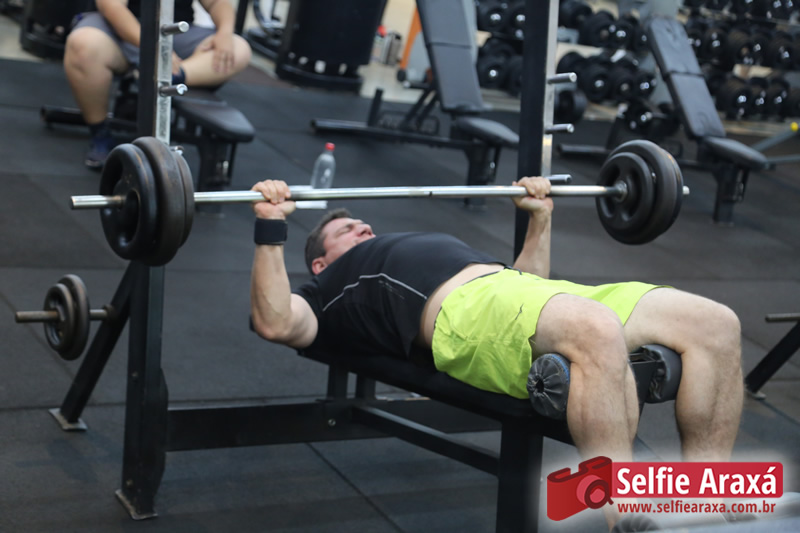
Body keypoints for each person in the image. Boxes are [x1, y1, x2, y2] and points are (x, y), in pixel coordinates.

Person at [248, 177, 744, 530]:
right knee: (595, 330)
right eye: (347, 231)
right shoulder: (325, 291)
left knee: (716, 324)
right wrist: (271, 227)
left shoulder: (401, 245)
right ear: (320, 262)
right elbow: (275, 321)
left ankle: (705, 504)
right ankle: (624, 517)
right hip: (464, 316)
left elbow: (528, 283)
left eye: (364, 225)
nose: (363, 230)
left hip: (517, 290)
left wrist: (540, 218)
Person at [63, 0, 252, 170]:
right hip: (120, 29)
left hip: (177, 33)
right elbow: (111, 6)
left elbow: (217, 3)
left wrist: (225, 33)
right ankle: (100, 132)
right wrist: (155, 45)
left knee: (239, 48)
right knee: (83, 44)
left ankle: (172, 76)